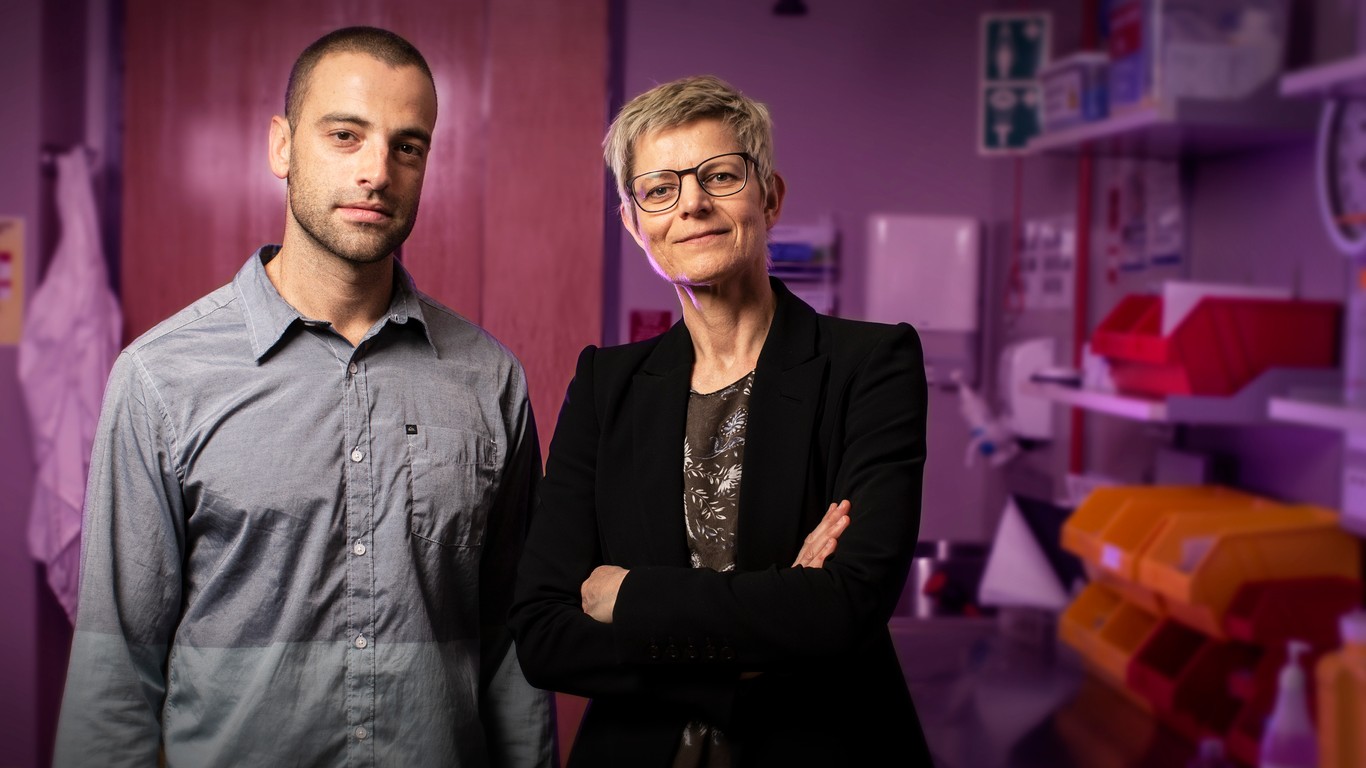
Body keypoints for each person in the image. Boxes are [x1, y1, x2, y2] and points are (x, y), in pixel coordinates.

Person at [54, 26, 552, 768]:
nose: (377, 172)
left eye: (406, 146)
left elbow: (512, 654)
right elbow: (114, 677)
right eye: (345, 135)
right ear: (282, 147)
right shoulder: (160, 378)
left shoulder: (490, 379)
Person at [509, 74, 933, 767]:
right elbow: (544, 634)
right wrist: (764, 636)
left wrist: (631, 595)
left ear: (770, 194)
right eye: (659, 189)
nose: (692, 205)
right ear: (633, 221)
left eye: (720, 175)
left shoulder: (870, 365)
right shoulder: (604, 385)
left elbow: (845, 609)